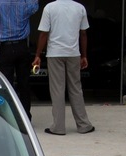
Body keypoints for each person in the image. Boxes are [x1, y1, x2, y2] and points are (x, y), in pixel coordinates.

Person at [32, 0, 95, 135]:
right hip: (73, 53)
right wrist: (84, 55)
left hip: (55, 53)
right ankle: (84, 125)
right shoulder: (80, 8)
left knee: (57, 90)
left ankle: (58, 127)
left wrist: (38, 55)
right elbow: (83, 34)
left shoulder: (50, 8)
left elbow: (44, 33)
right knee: (76, 89)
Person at [0, 0, 40, 119]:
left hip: (6, 48)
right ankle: (26, 116)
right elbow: (35, 4)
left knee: (6, 83)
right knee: (24, 84)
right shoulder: (25, 5)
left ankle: (8, 116)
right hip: (22, 47)